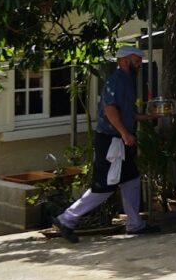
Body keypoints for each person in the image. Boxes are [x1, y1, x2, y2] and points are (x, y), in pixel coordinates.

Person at [52, 46, 162, 243]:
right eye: (136, 61)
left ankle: (135, 224)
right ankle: (66, 219)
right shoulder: (118, 80)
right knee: (104, 186)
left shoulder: (125, 80)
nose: (139, 65)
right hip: (112, 141)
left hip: (120, 139)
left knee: (131, 180)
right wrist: (125, 133)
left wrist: (149, 116)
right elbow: (111, 110)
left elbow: (125, 113)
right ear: (125, 60)